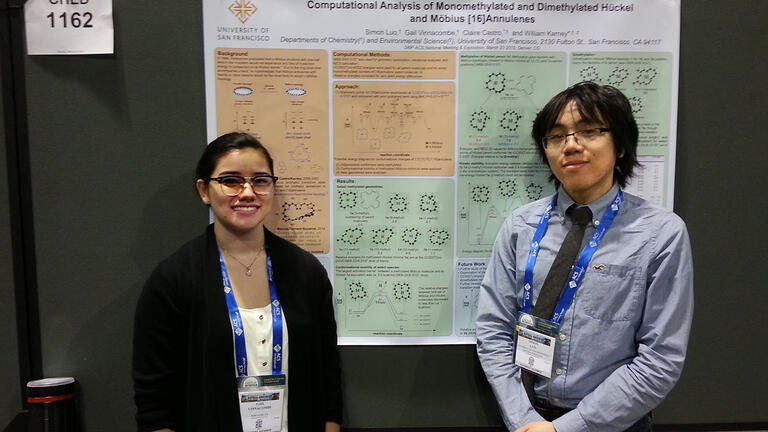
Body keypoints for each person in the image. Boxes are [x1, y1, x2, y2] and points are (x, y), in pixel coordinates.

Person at [476, 82, 693, 432]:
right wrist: (524, 419)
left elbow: (660, 359)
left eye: (589, 130)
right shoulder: (520, 226)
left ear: (620, 144)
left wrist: (568, 428)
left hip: (612, 424)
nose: (571, 144)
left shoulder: (660, 234)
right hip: (526, 419)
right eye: (556, 136)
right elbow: (494, 328)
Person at [133, 132, 342, 432]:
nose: (247, 192)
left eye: (260, 180)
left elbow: (328, 378)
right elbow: (153, 397)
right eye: (231, 180)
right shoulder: (173, 280)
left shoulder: (306, 272)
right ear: (204, 190)